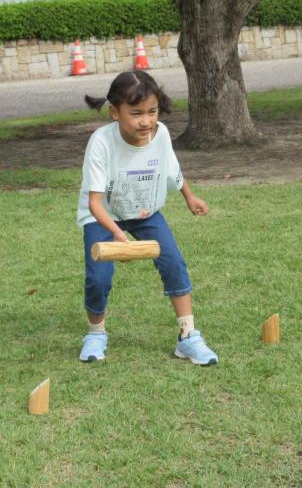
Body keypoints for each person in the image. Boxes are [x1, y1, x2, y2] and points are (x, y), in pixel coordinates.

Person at [77, 70, 219, 366]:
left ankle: (188, 336)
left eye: (152, 111)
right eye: (136, 113)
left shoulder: (161, 133)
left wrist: (190, 197)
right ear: (115, 112)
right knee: (98, 278)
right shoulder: (101, 142)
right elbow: (94, 203)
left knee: (173, 264)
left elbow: (172, 168)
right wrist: (117, 234)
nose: (146, 121)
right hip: (104, 216)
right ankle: (96, 333)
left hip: (145, 212)